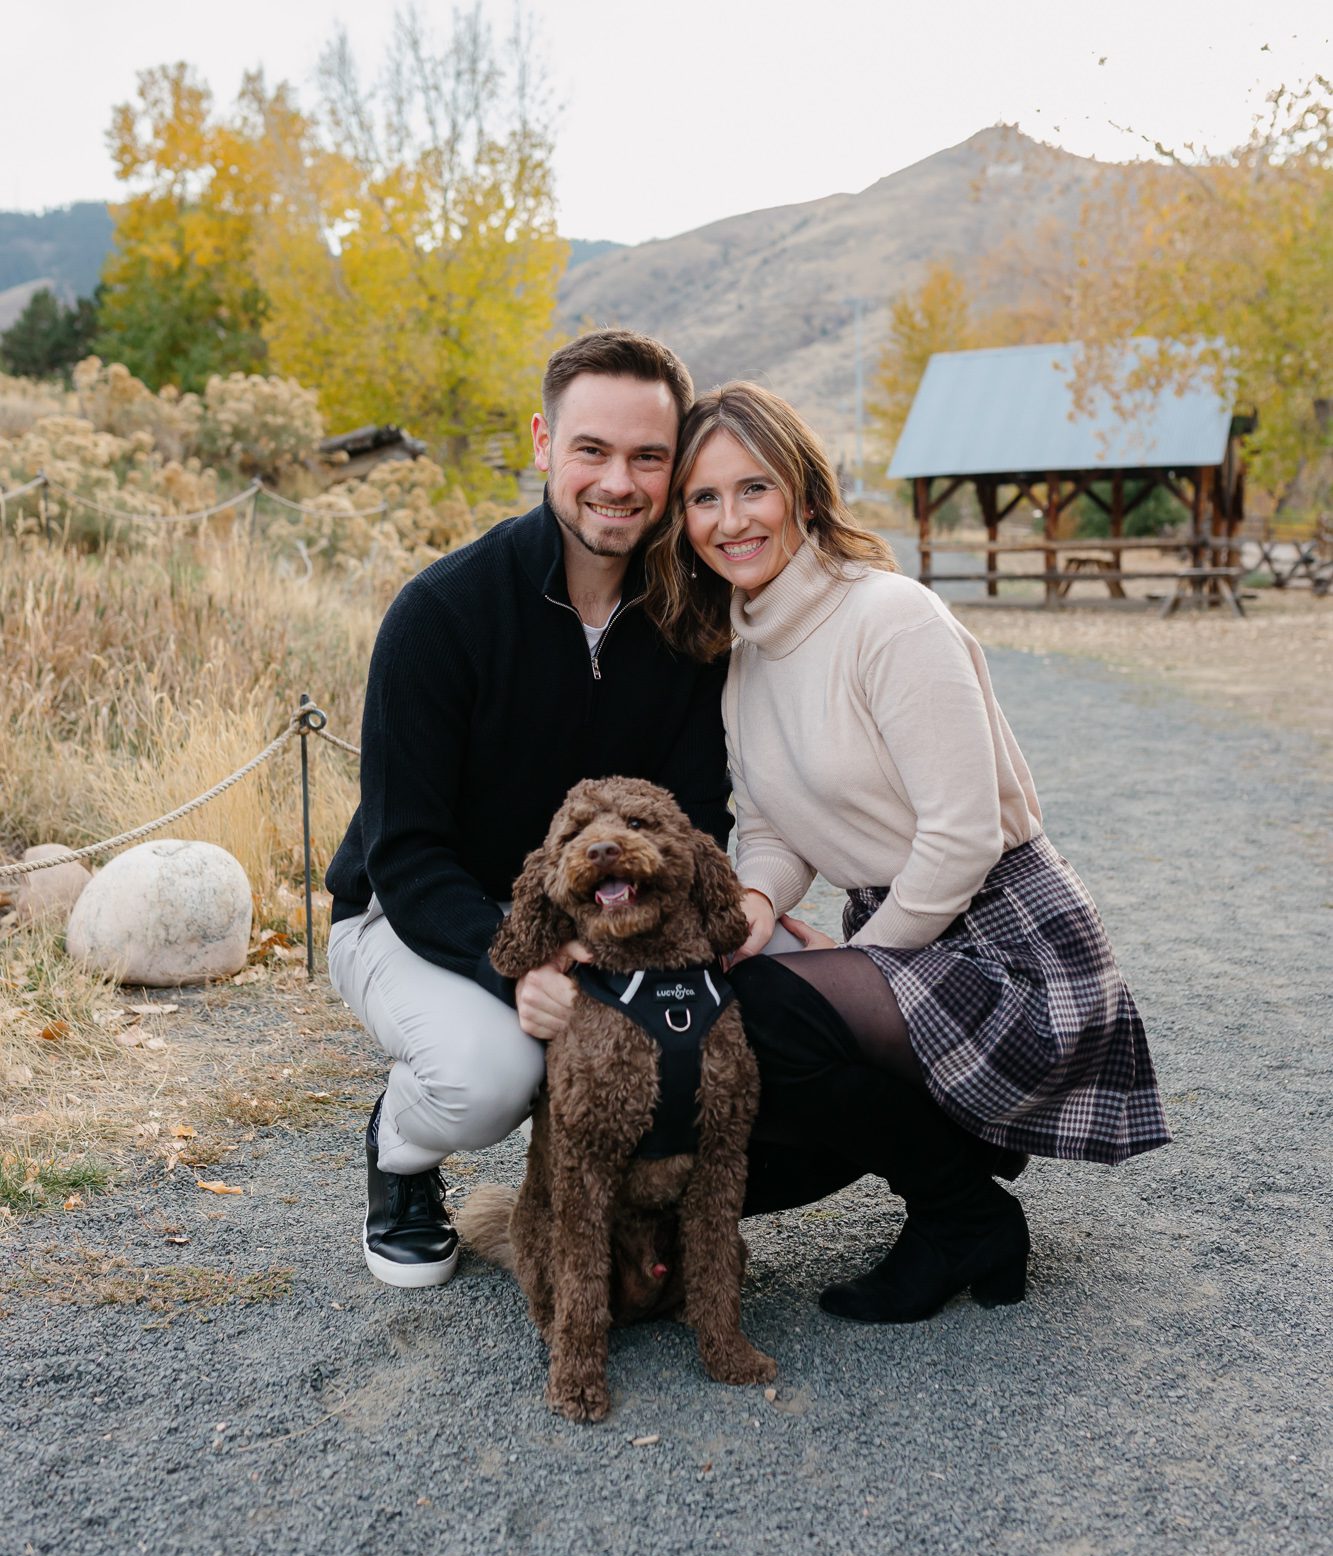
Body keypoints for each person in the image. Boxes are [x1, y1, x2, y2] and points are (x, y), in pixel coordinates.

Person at [645, 381, 1171, 1325]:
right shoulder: (749, 653)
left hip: (1011, 940)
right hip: (917, 933)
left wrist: (859, 961)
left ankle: (961, 1215)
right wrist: (755, 913)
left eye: (752, 488)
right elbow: (766, 825)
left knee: (772, 1013)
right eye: (703, 498)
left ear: (803, 491)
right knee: (729, 998)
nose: (731, 520)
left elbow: (963, 836)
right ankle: (955, 1190)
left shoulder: (890, 617)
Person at [325, 331, 731, 1288]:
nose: (619, 482)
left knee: (762, 1009)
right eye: (592, 450)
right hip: (416, 912)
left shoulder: (689, 617)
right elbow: (408, 854)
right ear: (545, 442)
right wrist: (527, 958)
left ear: (675, 469)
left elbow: (700, 815)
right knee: (489, 1076)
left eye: (649, 457)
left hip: (615, 916)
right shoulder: (442, 613)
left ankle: (651, 1210)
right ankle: (400, 1151)